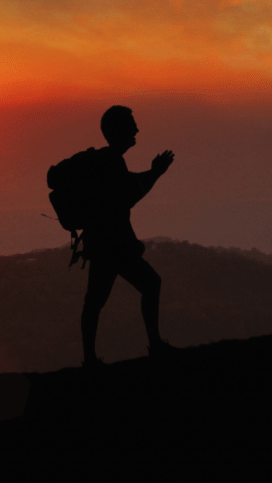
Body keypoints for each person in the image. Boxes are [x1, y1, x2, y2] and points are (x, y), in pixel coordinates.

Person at [81, 106, 177, 368]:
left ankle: (90, 358)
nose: (136, 129)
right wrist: (156, 172)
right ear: (120, 130)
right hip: (113, 245)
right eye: (132, 125)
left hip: (103, 244)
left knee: (96, 300)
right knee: (148, 284)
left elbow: (130, 184)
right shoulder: (111, 161)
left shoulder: (107, 160)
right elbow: (129, 195)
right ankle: (154, 345)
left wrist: (154, 172)